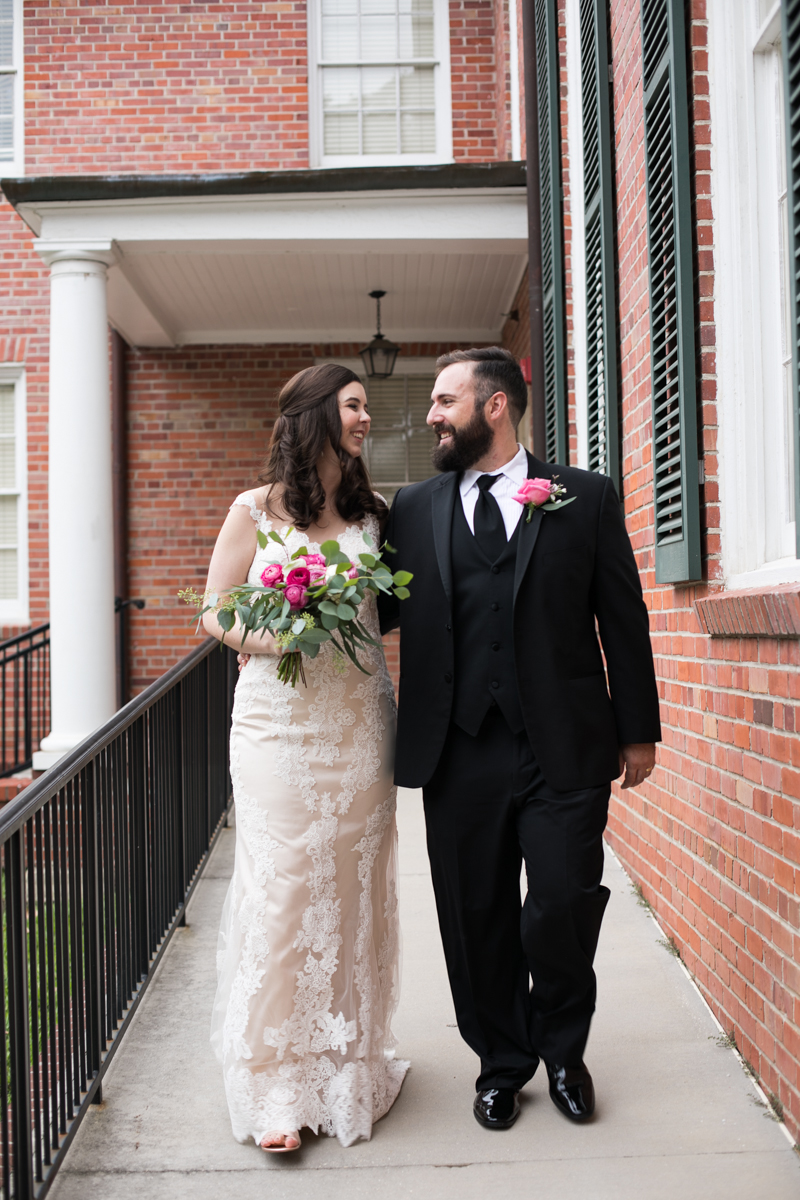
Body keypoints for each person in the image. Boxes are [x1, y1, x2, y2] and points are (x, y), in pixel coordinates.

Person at [378, 346, 660, 1131]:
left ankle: (564, 1052)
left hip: (563, 743)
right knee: (476, 914)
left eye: (444, 400)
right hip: (457, 746)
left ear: (494, 405)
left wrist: (638, 732)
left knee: (562, 904)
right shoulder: (414, 506)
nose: (431, 415)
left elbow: (623, 621)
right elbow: (378, 610)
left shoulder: (585, 496)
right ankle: (502, 1062)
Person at [205, 364, 407, 1153]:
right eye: (355, 406)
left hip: (358, 726)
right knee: (284, 887)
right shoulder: (253, 511)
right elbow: (217, 610)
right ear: (318, 414)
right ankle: (278, 1086)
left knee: (351, 892)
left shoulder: (375, 516)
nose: (366, 419)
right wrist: (281, 636)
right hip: (276, 725)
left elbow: (390, 611)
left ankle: (347, 1067)